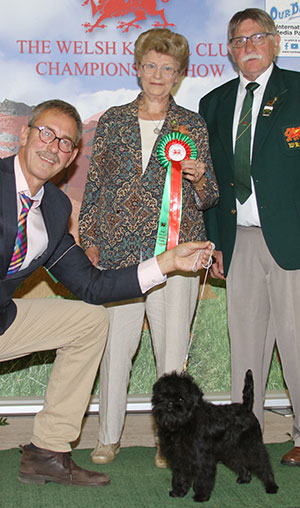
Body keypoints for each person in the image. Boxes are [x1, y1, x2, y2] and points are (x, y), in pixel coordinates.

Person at [0, 98, 214, 487]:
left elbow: (92, 286)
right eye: (46, 133)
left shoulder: (53, 207)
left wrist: (166, 263)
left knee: (89, 319)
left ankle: (47, 453)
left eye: (65, 142)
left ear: (72, 157)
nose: (53, 146)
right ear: (25, 135)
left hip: (3, 319)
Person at [79, 28, 218, 467]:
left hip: (175, 254)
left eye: (168, 68)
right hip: (120, 254)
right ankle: (107, 436)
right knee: (115, 349)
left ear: (179, 75)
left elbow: (210, 194)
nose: (158, 75)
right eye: (151, 65)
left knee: (172, 352)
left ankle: (169, 442)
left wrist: (196, 178)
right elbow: (95, 186)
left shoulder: (192, 124)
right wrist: (91, 238)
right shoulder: (112, 120)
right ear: (137, 68)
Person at [199, 7, 300, 466]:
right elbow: (215, 183)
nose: (248, 47)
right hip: (238, 241)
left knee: (298, 343)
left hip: (292, 241)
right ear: (230, 50)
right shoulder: (214, 103)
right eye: (238, 41)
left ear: (275, 42)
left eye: (257, 37)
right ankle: (246, 436)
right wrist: (217, 243)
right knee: (245, 344)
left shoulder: (298, 91)